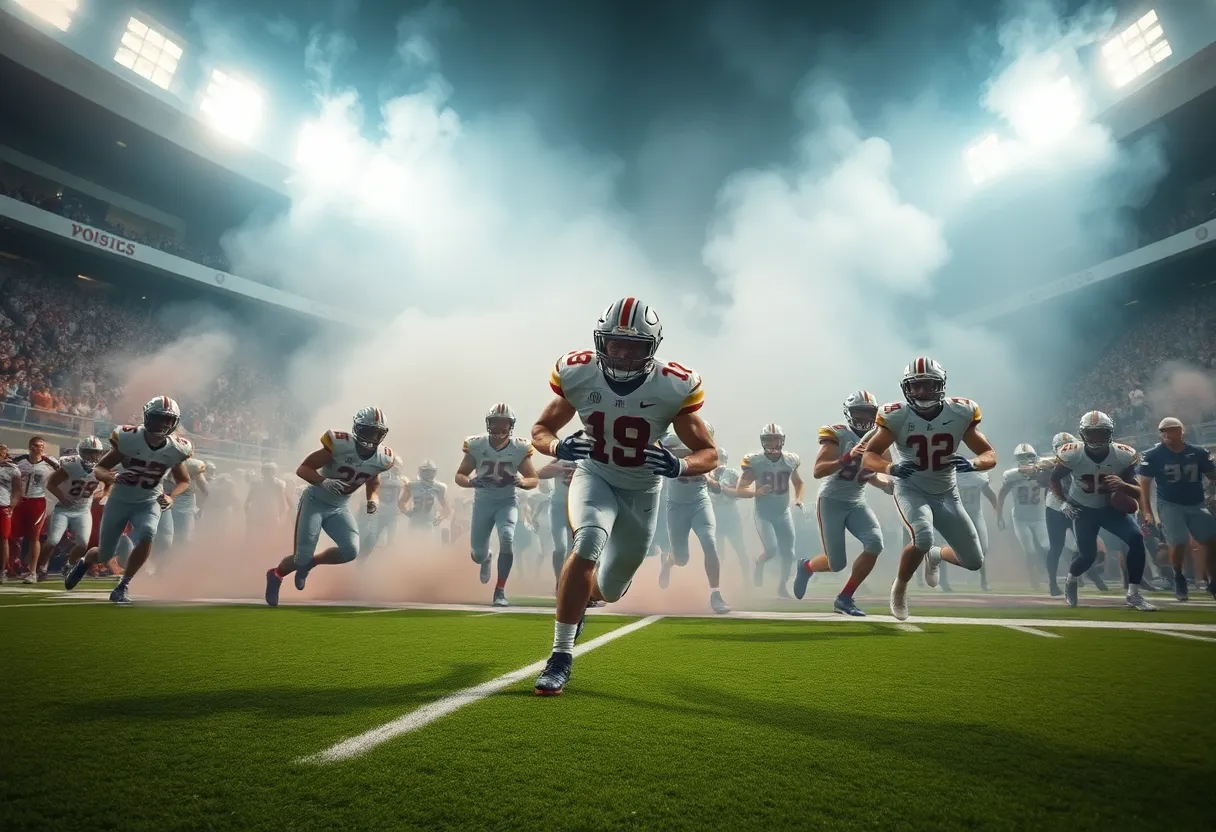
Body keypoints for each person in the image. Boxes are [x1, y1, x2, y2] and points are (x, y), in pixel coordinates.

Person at [531, 297, 715, 695]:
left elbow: (708, 453)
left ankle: (584, 597)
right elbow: (542, 428)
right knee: (588, 541)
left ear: (653, 349)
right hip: (594, 475)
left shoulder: (673, 385)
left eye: (636, 347)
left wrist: (680, 466)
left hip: (643, 489)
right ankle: (560, 656)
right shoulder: (578, 373)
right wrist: (556, 448)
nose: (625, 354)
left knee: (608, 590)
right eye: (617, 344)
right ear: (602, 342)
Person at [862, 357, 996, 621]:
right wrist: (890, 469)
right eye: (916, 386)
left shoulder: (961, 412)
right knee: (922, 537)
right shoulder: (897, 414)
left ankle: (936, 555)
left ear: (941, 385)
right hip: (911, 488)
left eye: (927, 385)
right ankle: (899, 589)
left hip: (947, 492)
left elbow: (989, 453)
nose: (921, 392)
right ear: (906, 389)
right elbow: (870, 455)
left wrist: (973, 463)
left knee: (973, 561)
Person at [64, 397, 194, 603]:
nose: (162, 424)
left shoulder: (176, 448)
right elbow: (99, 468)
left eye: (167, 420)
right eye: (158, 418)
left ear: (174, 423)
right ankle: (86, 561)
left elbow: (184, 480)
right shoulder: (129, 437)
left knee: (148, 534)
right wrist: (112, 477)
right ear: (147, 417)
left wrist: (171, 496)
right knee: (104, 555)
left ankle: (123, 585)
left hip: (149, 500)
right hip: (120, 500)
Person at [263, 407, 394, 606]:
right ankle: (276, 574)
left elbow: (373, 481)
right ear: (357, 428)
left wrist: (372, 500)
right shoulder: (340, 444)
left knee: (350, 551)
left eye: (377, 432)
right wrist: (323, 481)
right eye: (367, 431)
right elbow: (303, 469)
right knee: (301, 557)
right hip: (315, 501)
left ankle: (310, 564)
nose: (372, 437)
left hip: (340, 507)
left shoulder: (383, 458)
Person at [793, 391, 892, 615]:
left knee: (875, 543)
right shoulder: (839, 434)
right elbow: (818, 471)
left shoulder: (880, 438)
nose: (863, 418)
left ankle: (845, 598)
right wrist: (847, 457)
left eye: (868, 412)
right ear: (849, 413)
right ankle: (806, 566)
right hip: (832, 500)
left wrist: (886, 483)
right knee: (836, 564)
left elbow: (875, 473)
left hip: (857, 501)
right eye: (858, 412)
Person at [1050, 410, 1154, 611]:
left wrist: (1123, 485)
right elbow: (1054, 480)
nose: (1096, 438)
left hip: (1110, 509)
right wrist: (1064, 502)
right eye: (1092, 433)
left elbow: (1137, 489)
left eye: (1101, 432)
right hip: (1084, 509)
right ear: (1082, 434)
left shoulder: (1123, 455)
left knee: (1136, 539)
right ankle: (1071, 580)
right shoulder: (1072, 454)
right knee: (1087, 557)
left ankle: (1133, 594)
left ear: (1111, 432)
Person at [455, 403, 539, 607]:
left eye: (504, 424)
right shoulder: (476, 445)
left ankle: (500, 590)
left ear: (511, 425)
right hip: (482, 503)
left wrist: (523, 483)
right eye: (496, 423)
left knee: (507, 538)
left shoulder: (519, 447)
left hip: (507, 502)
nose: (500, 429)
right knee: (477, 554)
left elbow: (533, 478)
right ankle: (487, 557)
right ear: (488, 424)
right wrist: (471, 482)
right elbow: (460, 475)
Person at [1138, 417, 1216, 601]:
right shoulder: (1153, 455)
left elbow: (1212, 475)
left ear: (1182, 431)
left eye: (1171, 430)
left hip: (1196, 504)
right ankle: (1178, 575)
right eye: (1163, 431)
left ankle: (1214, 581)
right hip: (1170, 504)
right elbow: (1145, 485)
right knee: (1179, 542)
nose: (1167, 434)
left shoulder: (1197, 453)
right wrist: (1147, 511)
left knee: (1213, 541)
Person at [659, 428, 730, 614]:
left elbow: (714, 481)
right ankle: (668, 562)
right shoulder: (671, 444)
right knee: (682, 559)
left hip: (699, 502)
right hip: (676, 506)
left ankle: (716, 593)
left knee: (709, 541)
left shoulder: (709, 451)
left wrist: (710, 479)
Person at [736, 424, 804, 598]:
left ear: (782, 441)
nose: (773, 443)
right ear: (762, 441)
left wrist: (798, 499)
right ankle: (759, 562)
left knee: (790, 553)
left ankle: (782, 587)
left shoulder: (790, 460)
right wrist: (755, 492)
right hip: (763, 514)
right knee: (772, 549)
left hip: (783, 513)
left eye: (776, 439)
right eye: (768, 439)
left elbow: (798, 483)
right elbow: (740, 489)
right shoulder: (756, 461)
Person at [45, 437, 105, 573]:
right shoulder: (70, 464)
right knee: (53, 540)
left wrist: (102, 493)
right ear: (81, 452)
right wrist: (62, 497)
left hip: (83, 510)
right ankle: (41, 567)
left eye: (95, 452)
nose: (93, 456)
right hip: (64, 508)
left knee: (83, 544)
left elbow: (107, 486)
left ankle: (69, 565)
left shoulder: (102, 468)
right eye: (89, 452)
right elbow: (51, 483)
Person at [996, 443, 1051, 589]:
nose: (1026, 459)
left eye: (1028, 456)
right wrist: (999, 516)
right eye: (1022, 457)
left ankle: (1048, 574)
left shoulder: (1043, 472)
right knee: (1030, 550)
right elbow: (1002, 494)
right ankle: (1033, 578)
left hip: (1040, 517)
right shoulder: (1012, 475)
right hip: (1021, 519)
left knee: (1047, 547)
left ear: (1035, 457)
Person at [14, 436, 58, 582]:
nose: (37, 448)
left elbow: (62, 472)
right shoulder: (20, 461)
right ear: (29, 446)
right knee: (11, 536)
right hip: (19, 501)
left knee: (35, 537)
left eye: (40, 446)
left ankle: (33, 571)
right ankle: (12, 565)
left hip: (37, 501)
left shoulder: (49, 464)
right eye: (34, 445)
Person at [708, 450, 750, 584]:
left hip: (730, 516)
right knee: (718, 553)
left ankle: (747, 580)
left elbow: (742, 491)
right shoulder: (708, 474)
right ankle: (722, 582)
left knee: (741, 550)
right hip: (716, 516)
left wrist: (729, 492)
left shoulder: (731, 473)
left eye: (721, 458)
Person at [537, 459, 577, 583]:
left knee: (573, 551)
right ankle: (559, 581)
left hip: (576, 509)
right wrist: (556, 465)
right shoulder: (561, 459)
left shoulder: (588, 459)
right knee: (560, 548)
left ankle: (569, 582)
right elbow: (538, 474)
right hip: (558, 507)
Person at [403, 460, 449, 534]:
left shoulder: (440, 487)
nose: (429, 474)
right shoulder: (411, 485)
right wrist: (407, 512)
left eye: (431, 472)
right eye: (427, 472)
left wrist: (440, 518)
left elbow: (447, 508)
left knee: (428, 543)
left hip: (429, 522)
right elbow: (401, 502)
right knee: (412, 543)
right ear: (421, 471)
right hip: (415, 521)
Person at [0, 444, 23, 583]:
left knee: (4, 539)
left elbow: (17, 490)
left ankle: (3, 570)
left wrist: (12, 506)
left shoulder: (12, 469)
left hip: (3, 505)